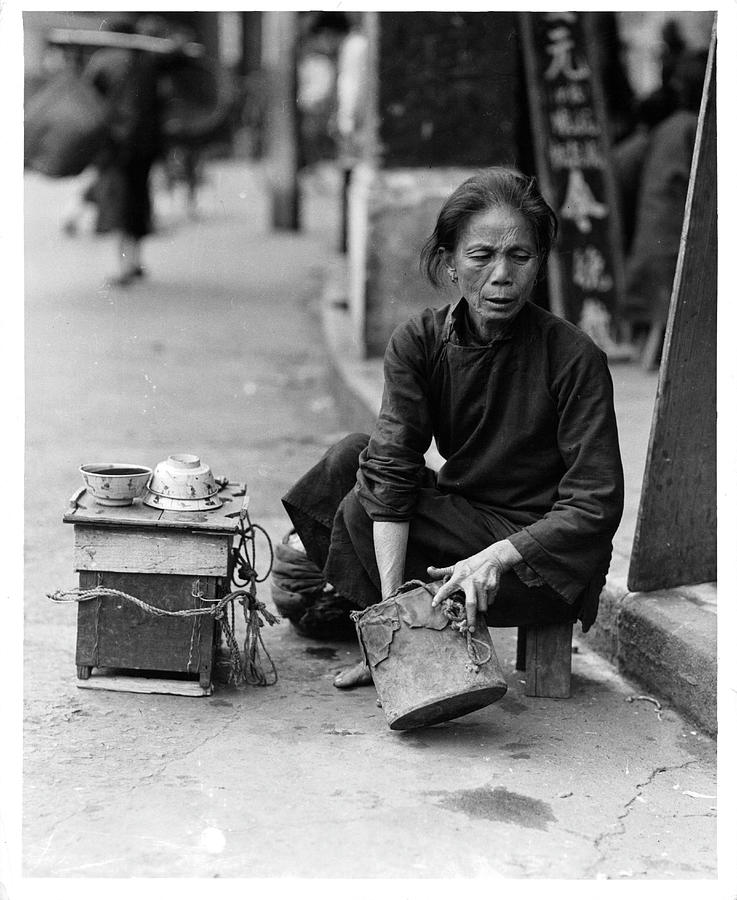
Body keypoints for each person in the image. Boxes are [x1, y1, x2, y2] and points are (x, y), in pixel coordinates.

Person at [282, 167, 625, 689]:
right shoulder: (418, 341)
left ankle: (400, 637)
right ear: (449, 266)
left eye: (520, 256)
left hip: (539, 561)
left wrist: (496, 557)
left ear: (538, 265)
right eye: (481, 256)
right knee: (353, 460)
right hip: (467, 529)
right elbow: (392, 467)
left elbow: (594, 503)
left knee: (358, 504)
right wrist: (396, 610)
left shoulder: (574, 357)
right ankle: (397, 636)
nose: (502, 275)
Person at [83, 16, 163, 285]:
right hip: (146, 142)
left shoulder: (103, 61)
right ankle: (136, 261)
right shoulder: (148, 60)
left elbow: (86, 99)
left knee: (121, 203)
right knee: (138, 199)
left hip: (117, 143)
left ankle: (126, 266)